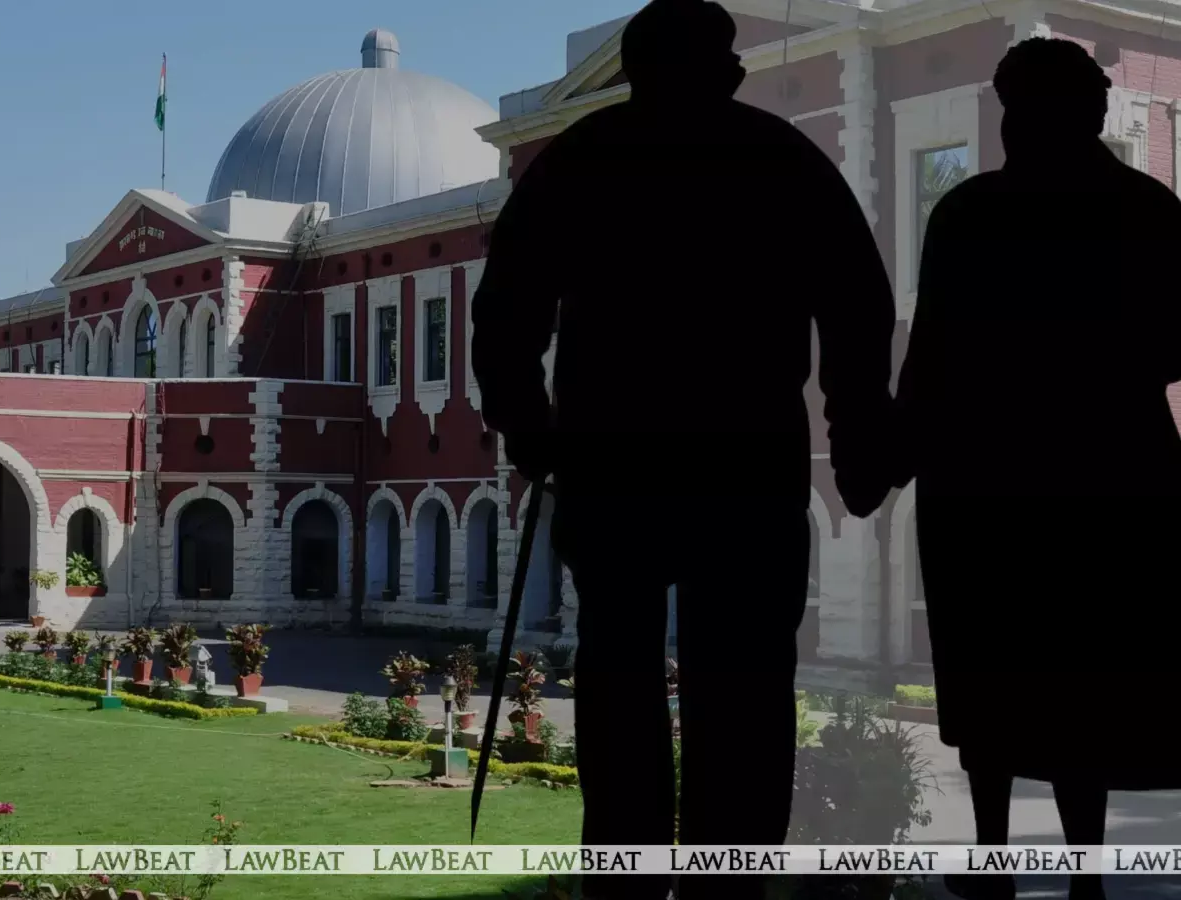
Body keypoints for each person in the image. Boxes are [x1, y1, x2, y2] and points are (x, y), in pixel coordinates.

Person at [470, 0, 897, 897]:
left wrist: (529, 425)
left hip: (614, 463)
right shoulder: (779, 158)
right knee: (742, 695)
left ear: (633, 70)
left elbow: (506, 308)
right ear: (728, 71)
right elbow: (858, 306)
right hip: (745, 467)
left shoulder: (583, 160)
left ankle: (625, 882)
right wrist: (857, 439)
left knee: (619, 683)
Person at [893, 37, 1181, 900]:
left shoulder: (971, 214)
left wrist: (898, 448)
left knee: (995, 673)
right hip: (1115, 474)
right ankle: (1080, 872)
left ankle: (994, 863)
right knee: (1082, 678)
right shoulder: (1148, 209)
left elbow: (929, 357)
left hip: (989, 480)